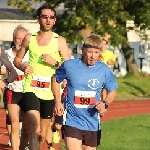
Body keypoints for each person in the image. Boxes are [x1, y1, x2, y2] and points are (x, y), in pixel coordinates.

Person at [13, 5, 70, 150]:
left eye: (51, 17)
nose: (48, 20)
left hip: (49, 91)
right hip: (30, 87)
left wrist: (55, 62)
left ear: (55, 20)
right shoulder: (29, 38)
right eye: (44, 17)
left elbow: (70, 69)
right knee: (35, 128)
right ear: (38, 19)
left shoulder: (60, 41)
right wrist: (24, 67)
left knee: (43, 134)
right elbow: (17, 60)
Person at [51, 33, 118, 150]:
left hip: (92, 123)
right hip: (72, 120)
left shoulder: (104, 70)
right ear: (83, 50)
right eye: (90, 52)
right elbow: (55, 79)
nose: (93, 56)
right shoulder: (69, 66)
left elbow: (113, 90)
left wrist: (105, 103)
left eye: (96, 53)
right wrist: (57, 101)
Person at [2, 25, 29, 150]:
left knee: (28, 128)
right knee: (14, 123)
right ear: (14, 39)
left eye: (23, 39)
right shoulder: (6, 54)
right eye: (18, 39)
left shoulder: (31, 54)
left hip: (28, 92)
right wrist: (4, 82)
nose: (21, 41)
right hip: (12, 91)